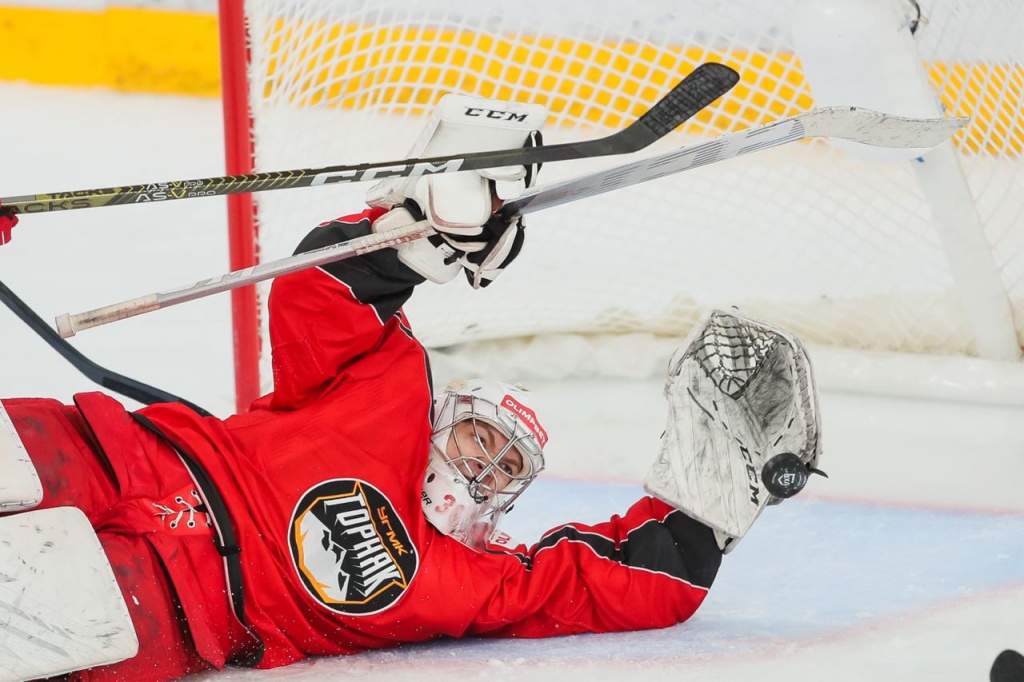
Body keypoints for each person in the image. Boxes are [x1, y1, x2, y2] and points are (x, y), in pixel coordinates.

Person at [0, 95, 822, 682]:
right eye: (480, 441)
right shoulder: (384, 391)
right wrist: (419, 232)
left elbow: (607, 583)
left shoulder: (465, 577)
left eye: (507, 468)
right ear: (443, 421)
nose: (485, 468)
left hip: (168, 602)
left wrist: (705, 516)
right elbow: (320, 293)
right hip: (116, 460)